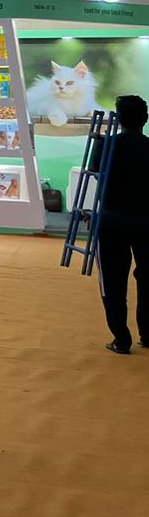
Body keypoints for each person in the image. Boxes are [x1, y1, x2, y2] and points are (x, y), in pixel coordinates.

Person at [93, 95, 149, 354]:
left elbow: (96, 174)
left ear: (117, 119)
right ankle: (148, 333)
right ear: (145, 119)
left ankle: (121, 338)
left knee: (113, 281)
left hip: (111, 222)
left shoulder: (106, 145)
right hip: (146, 222)